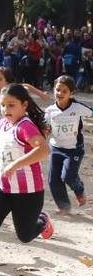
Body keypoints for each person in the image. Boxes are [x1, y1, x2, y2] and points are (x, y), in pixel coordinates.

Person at [0, 84, 53, 276]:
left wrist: (15, 165)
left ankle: (42, 221)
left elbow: (44, 150)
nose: (6, 110)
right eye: (2, 105)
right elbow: (2, 149)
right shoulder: (1, 124)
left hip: (28, 192)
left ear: (24, 105)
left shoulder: (25, 126)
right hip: (3, 186)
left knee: (25, 236)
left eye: (11, 105)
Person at [43, 75, 90, 212]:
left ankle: (79, 190)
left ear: (72, 93)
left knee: (68, 176)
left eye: (64, 91)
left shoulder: (77, 107)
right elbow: (45, 129)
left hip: (74, 149)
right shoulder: (50, 111)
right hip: (56, 148)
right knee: (53, 180)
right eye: (58, 90)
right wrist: (46, 131)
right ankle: (64, 206)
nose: (60, 93)